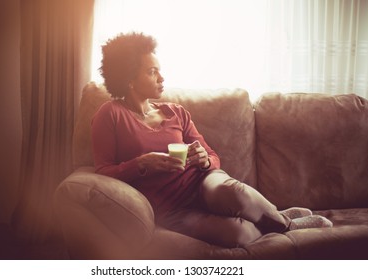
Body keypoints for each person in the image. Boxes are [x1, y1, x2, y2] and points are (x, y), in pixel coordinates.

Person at [91, 32, 333, 247]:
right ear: (129, 78)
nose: (162, 78)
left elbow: (213, 157)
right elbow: (102, 172)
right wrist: (143, 163)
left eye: (159, 70)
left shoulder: (175, 111)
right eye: (152, 72)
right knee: (236, 234)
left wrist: (204, 159)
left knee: (231, 193)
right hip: (171, 208)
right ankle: (270, 215)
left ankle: (286, 223)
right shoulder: (110, 114)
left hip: (203, 182)